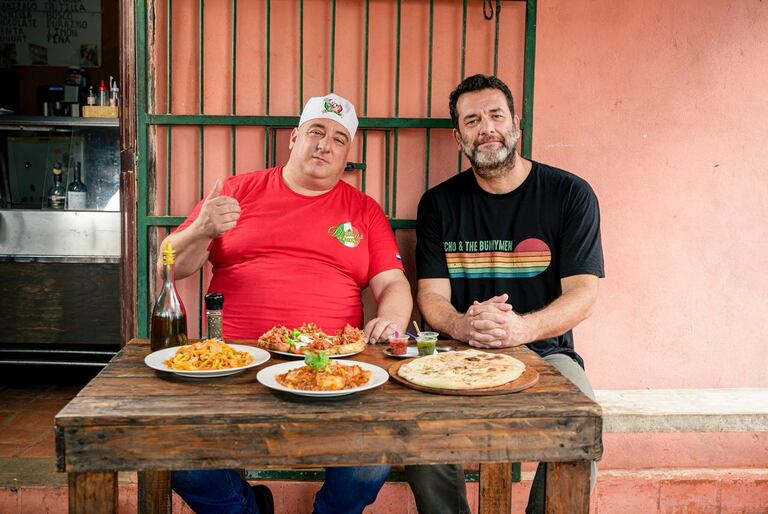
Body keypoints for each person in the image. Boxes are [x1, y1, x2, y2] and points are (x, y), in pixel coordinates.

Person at [161, 93, 412, 514]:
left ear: (347, 153)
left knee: (369, 462)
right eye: (316, 131)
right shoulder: (236, 191)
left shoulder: (364, 210)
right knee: (180, 462)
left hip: (331, 368)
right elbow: (169, 265)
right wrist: (201, 229)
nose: (324, 145)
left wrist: (389, 321)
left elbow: (394, 284)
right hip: (231, 364)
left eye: (338, 138)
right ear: (295, 137)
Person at [409, 74, 604, 514]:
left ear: (516, 123)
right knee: (420, 439)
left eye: (496, 115)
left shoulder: (570, 194)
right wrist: (461, 324)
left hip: (547, 353)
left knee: (582, 431)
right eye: (472, 120)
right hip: (457, 353)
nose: (487, 128)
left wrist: (522, 327)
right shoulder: (439, 203)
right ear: (458, 136)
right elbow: (431, 297)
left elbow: (584, 294)